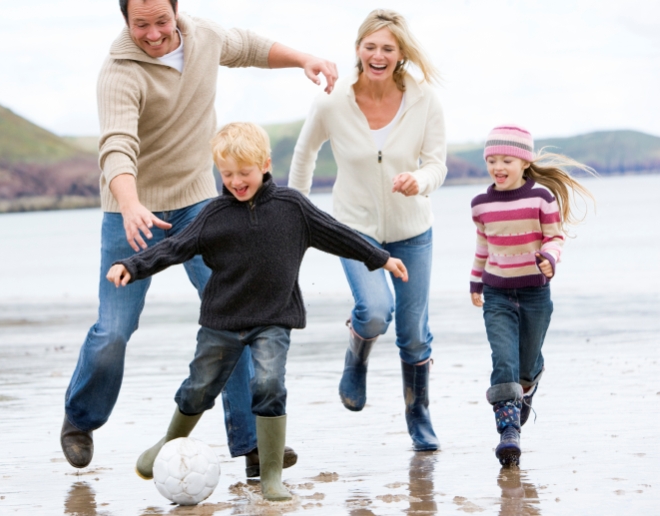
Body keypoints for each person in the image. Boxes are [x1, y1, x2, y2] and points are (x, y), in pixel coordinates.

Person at [61, 0, 340, 475]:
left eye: (162, 21)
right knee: (114, 331)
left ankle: (253, 445)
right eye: (140, 24)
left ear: (177, 12)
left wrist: (304, 59)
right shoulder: (119, 73)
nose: (153, 34)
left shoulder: (205, 37)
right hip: (131, 208)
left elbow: (250, 47)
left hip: (198, 202)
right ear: (126, 21)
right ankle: (80, 420)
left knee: (236, 315)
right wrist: (129, 203)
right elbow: (116, 146)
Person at [106, 122, 408, 501]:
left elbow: (338, 233)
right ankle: (168, 441)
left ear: (265, 164)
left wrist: (380, 258)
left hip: (274, 319)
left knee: (268, 385)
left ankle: (270, 476)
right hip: (222, 322)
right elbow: (174, 247)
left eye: (243, 172)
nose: (235, 181)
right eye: (227, 173)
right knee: (199, 388)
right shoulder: (213, 215)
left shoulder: (292, 208)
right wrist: (132, 265)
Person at [287, 9, 446, 451]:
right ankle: (357, 353)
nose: (378, 55)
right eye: (370, 46)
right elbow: (304, 157)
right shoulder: (332, 100)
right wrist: (297, 214)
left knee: (413, 333)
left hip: (412, 231)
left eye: (388, 48)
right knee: (375, 312)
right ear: (358, 49)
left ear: (400, 55)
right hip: (354, 230)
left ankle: (418, 413)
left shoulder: (424, 99)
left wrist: (422, 181)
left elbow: (437, 163)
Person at [469, 125, 595, 466]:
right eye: (492, 160)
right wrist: (476, 281)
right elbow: (483, 245)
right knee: (504, 360)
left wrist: (550, 258)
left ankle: (529, 381)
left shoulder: (542, 197)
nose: (498, 166)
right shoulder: (480, 204)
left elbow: (554, 237)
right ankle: (508, 432)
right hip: (496, 292)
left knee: (525, 365)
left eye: (506, 159)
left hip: (536, 293)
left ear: (524, 162)